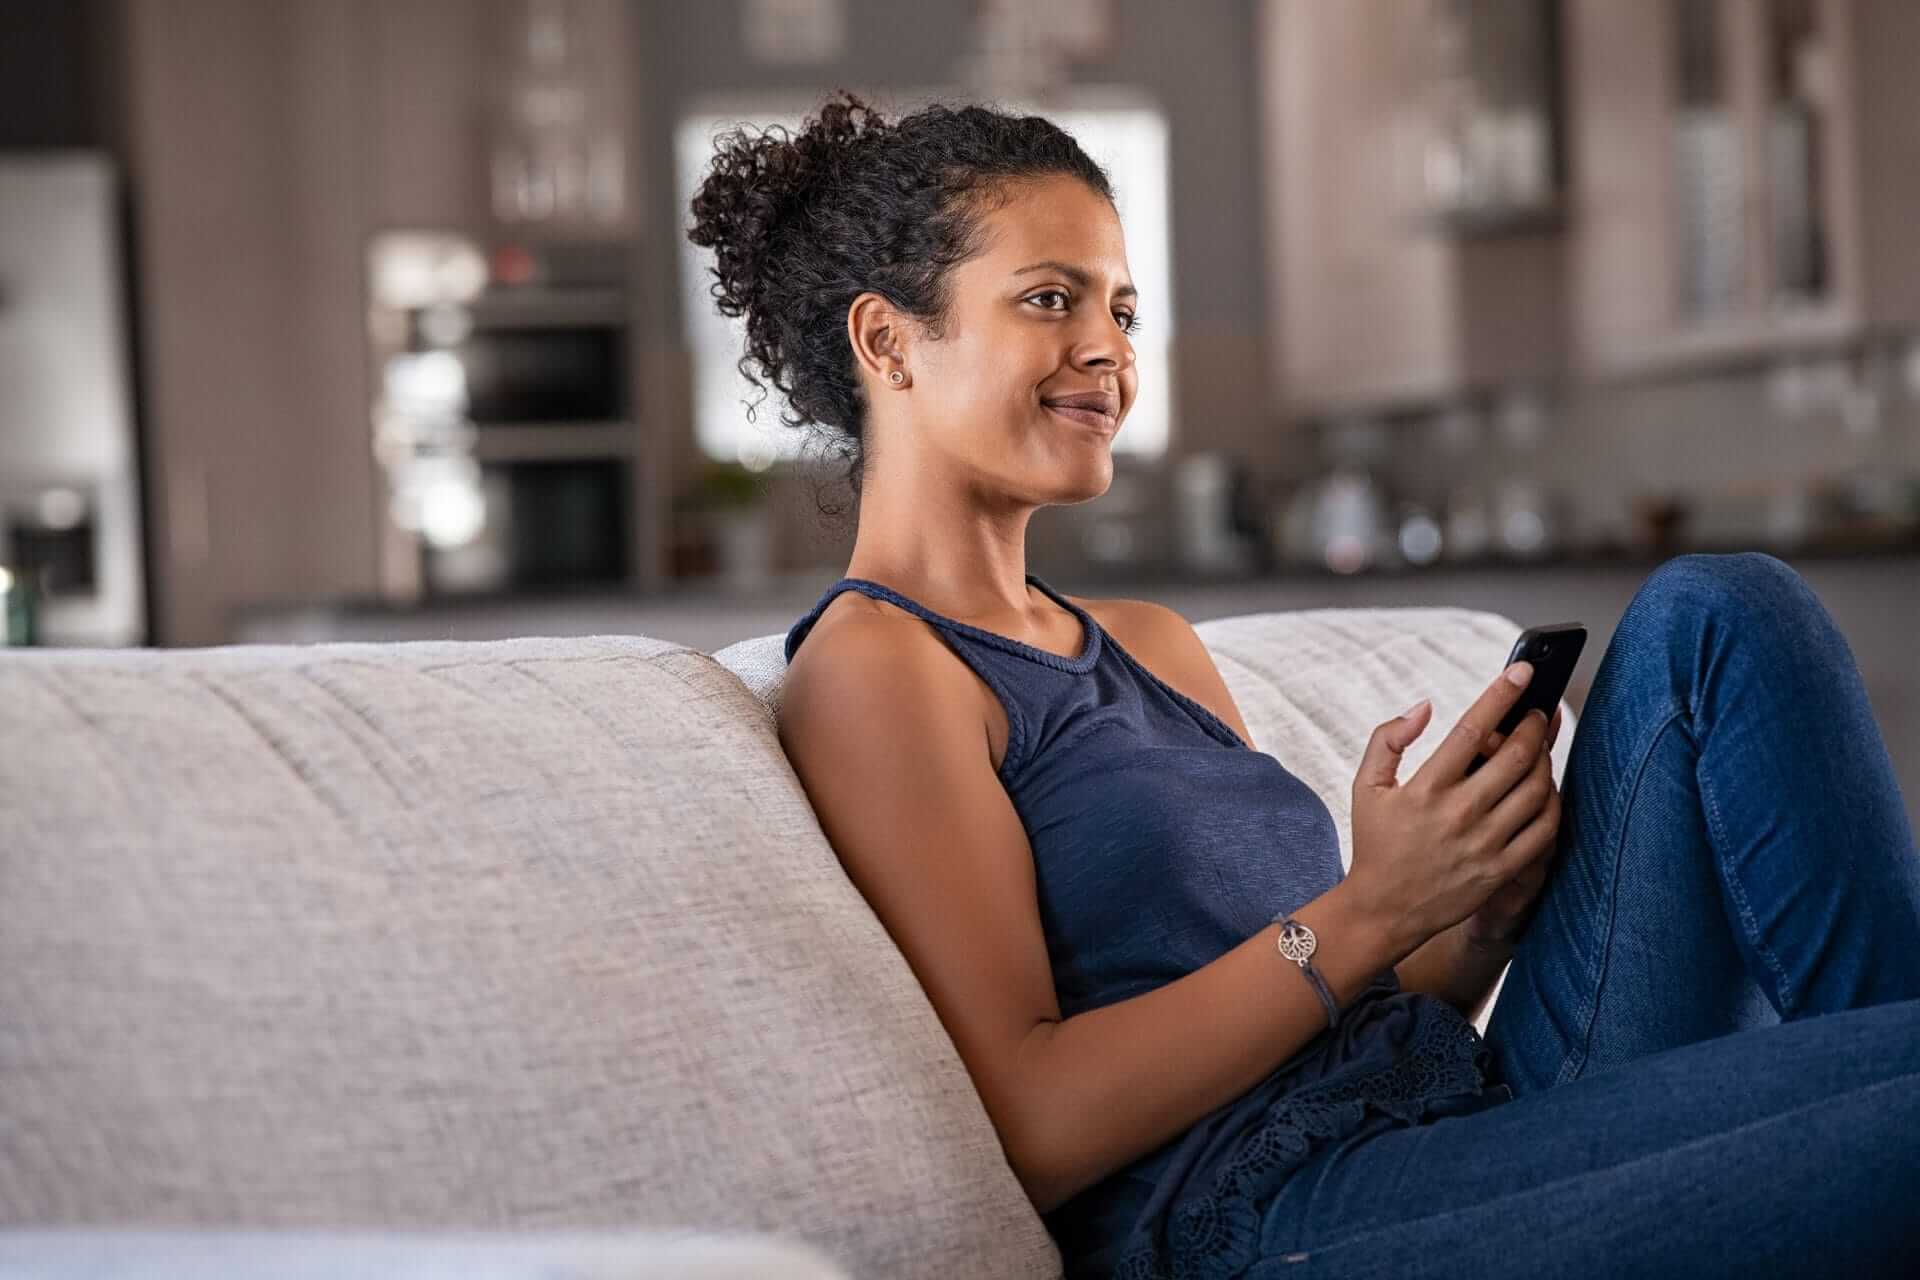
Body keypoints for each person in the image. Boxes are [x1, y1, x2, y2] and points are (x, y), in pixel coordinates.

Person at [686, 90, 1920, 1278]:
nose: (1107, 349)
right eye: (1050, 300)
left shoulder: (1149, 643)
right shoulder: (880, 664)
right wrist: (1375, 904)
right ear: (886, 339)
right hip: (1284, 1219)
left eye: (1122, 308)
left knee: (1721, 611)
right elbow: (1040, 1122)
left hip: (1455, 1114)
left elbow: (1338, 997)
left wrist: (1475, 904)